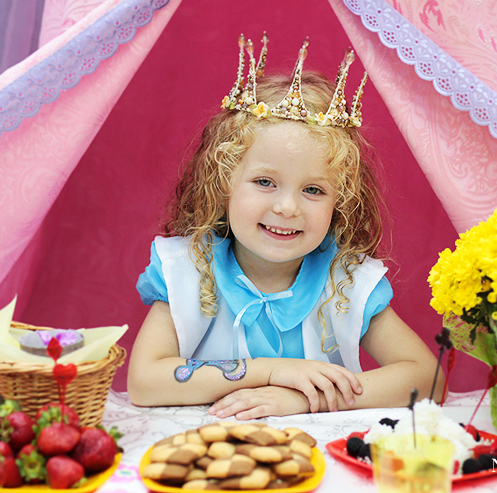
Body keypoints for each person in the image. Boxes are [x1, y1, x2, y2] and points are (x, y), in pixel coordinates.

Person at [127, 35, 440, 419]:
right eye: (264, 182)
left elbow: (428, 379)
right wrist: (272, 371)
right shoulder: (189, 270)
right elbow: (144, 382)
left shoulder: (344, 284)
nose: (287, 207)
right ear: (224, 183)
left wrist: (305, 399)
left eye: (313, 190)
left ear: (340, 201)